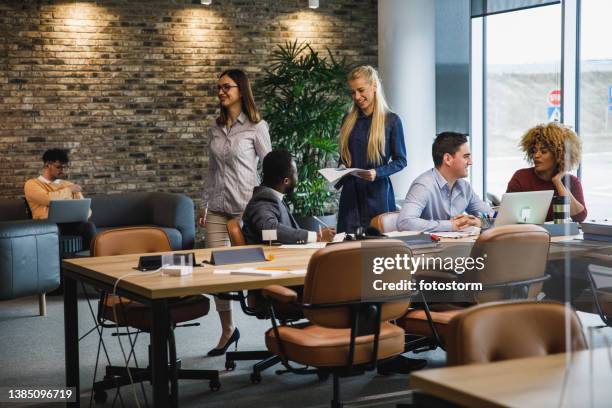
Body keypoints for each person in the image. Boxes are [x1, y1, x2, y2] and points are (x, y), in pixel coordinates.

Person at [199, 69, 272, 356]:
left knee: (255, 270)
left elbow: (271, 168)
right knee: (218, 272)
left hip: (245, 210)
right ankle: (227, 329)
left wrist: (265, 204)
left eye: (226, 87)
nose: (220, 92)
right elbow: (211, 171)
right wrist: (204, 205)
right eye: (218, 87)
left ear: (240, 90)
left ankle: (274, 326)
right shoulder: (215, 129)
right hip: (217, 208)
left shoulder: (256, 127)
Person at [335, 65, 407, 234]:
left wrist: (377, 172)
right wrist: (342, 168)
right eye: (353, 92)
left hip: (378, 194)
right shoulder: (348, 119)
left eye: (361, 90)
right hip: (351, 196)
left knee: (377, 246)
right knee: (347, 246)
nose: (357, 97)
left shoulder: (391, 121)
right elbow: (344, 157)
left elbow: (401, 161)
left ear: (374, 86)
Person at [397, 132, 492, 232]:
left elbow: (492, 217)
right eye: (466, 156)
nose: (470, 162)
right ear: (447, 159)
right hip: (428, 247)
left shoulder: (465, 187)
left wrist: (479, 222)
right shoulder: (423, 185)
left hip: (457, 245)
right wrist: (450, 225)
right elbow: (405, 223)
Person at [242, 150, 336, 244]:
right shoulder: (263, 200)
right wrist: (317, 236)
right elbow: (269, 229)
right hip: (270, 257)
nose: (297, 178)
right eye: (295, 173)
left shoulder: (272, 197)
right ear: (286, 181)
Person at [506, 122, 587, 222]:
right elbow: (508, 216)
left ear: (559, 155)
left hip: (559, 236)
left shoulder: (571, 181)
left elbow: (580, 216)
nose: (536, 155)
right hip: (529, 234)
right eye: (534, 151)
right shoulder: (521, 177)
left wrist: (558, 182)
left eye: (543, 151)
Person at [24, 148, 95, 249]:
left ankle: (92, 261)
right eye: (59, 167)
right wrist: (69, 191)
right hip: (45, 224)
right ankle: (61, 263)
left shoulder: (68, 184)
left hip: (70, 223)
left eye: (64, 167)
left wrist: (82, 214)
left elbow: (87, 211)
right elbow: (48, 199)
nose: (62, 170)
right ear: (47, 165)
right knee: (55, 230)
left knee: (88, 226)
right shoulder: (32, 184)